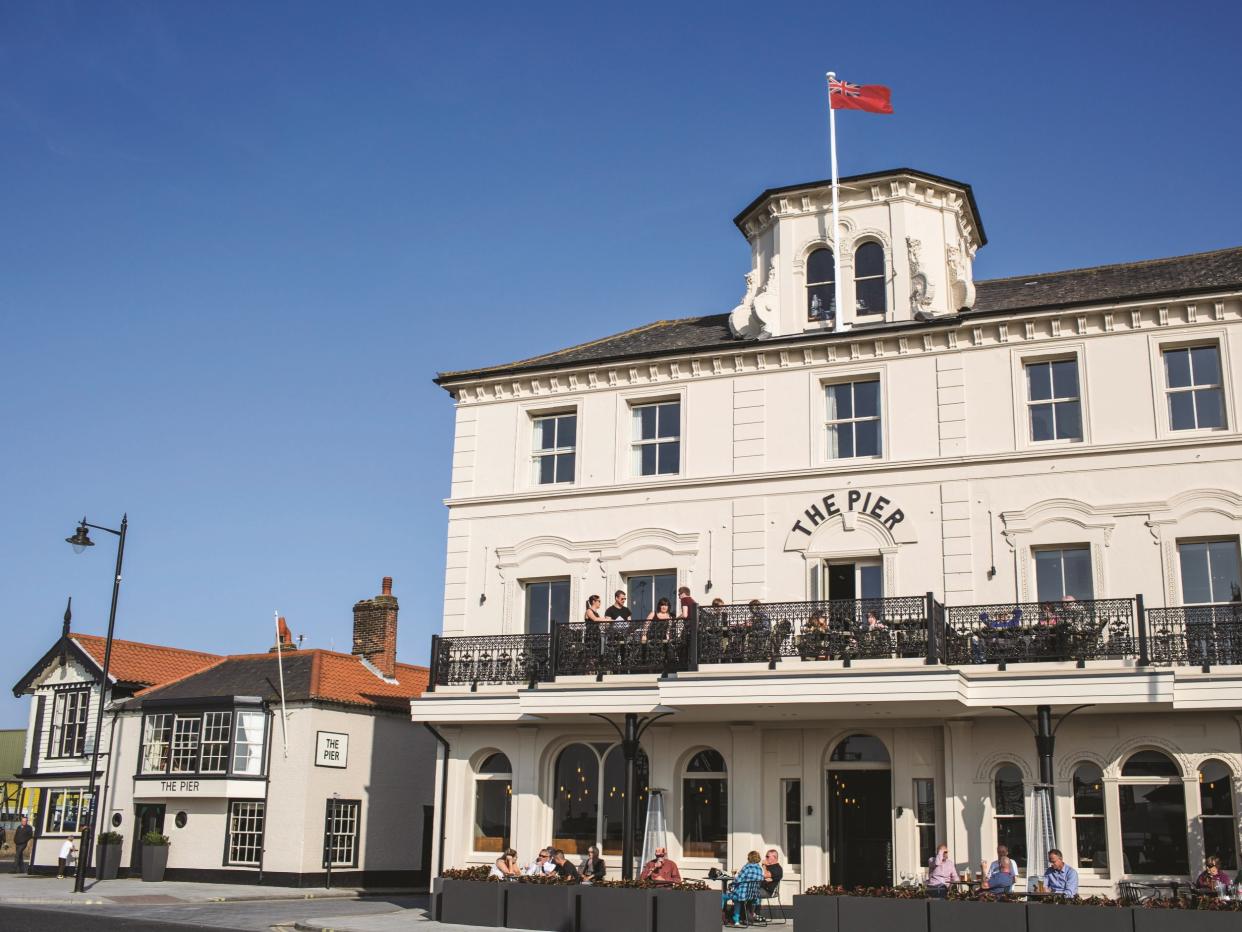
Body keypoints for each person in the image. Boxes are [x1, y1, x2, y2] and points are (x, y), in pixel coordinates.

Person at [722, 851, 764, 927]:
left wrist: (732, 883)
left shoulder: (747, 867)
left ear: (749, 858)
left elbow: (738, 879)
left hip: (742, 894)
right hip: (752, 895)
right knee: (737, 899)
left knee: (722, 896)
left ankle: (722, 917)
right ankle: (736, 920)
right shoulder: (760, 869)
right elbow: (760, 880)